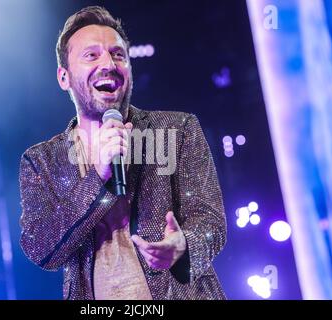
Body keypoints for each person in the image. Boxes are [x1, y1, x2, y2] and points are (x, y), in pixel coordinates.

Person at [19, 6, 227, 300]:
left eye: (118, 54)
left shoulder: (177, 129)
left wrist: (182, 245)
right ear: (63, 77)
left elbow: (211, 222)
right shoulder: (41, 161)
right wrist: (98, 176)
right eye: (91, 55)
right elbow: (40, 247)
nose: (109, 63)